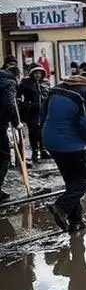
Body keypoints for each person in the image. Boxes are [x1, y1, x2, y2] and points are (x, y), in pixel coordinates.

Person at [41, 64, 86, 232]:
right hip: (71, 143)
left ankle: (76, 220)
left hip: (50, 140)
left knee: (72, 180)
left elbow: (43, 113)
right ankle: (60, 207)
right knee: (85, 178)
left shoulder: (58, 87)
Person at [18, 62, 51, 162]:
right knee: (33, 131)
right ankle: (35, 151)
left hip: (43, 111)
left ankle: (43, 149)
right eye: (36, 73)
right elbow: (19, 97)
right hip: (31, 112)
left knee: (43, 131)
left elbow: (48, 95)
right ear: (32, 73)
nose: (38, 75)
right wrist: (26, 105)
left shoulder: (45, 83)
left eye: (40, 73)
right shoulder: (25, 83)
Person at [0, 65, 24, 202]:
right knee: (3, 157)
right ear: (17, 76)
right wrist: (16, 123)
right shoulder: (9, 83)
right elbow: (10, 105)